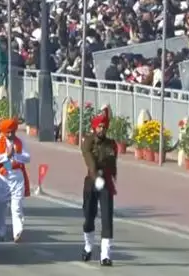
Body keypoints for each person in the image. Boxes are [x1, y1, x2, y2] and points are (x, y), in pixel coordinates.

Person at [81, 107, 118, 266]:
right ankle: (88, 247)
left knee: (107, 218)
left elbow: (113, 161)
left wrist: (112, 177)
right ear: (95, 127)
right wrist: (96, 177)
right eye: (99, 126)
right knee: (89, 216)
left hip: (106, 183)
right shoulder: (88, 141)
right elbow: (89, 160)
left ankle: (105, 255)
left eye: (104, 127)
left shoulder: (111, 144)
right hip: (91, 181)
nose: (102, 129)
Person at [0, 118, 30, 242]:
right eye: (8, 132)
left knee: (16, 206)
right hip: (2, 177)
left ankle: (18, 232)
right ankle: (0, 231)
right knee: (0, 207)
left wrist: (16, 155)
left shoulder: (20, 142)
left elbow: (27, 157)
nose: (10, 135)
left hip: (17, 176)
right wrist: (6, 156)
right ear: (3, 132)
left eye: (12, 132)